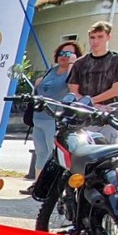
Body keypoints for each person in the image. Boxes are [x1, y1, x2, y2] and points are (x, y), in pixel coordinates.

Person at [24, 40, 82, 193]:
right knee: (41, 152)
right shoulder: (52, 70)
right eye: (62, 53)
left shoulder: (74, 71)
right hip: (39, 117)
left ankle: (54, 187)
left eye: (69, 54)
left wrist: (72, 65)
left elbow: (71, 86)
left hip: (54, 118)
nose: (64, 56)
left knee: (53, 153)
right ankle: (38, 184)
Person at [69, 20, 118, 145]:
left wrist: (91, 101)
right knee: (85, 155)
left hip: (108, 117)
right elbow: (73, 90)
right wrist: (90, 104)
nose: (95, 41)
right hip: (85, 118)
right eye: (92, 37)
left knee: (109, 155)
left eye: (100, 37)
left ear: (108, 37)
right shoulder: (80, 63)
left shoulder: (117, 60)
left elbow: (115, 90)